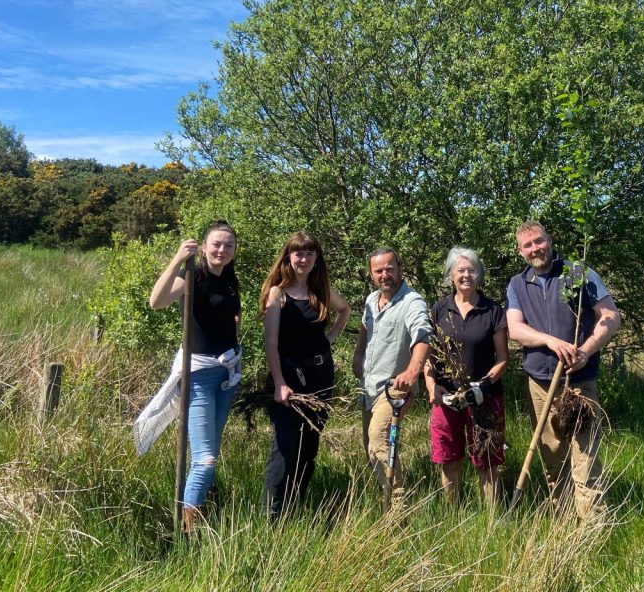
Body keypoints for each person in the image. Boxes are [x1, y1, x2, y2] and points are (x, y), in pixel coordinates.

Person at [506, 221, 620, 520]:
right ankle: (565, 521)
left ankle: (594, 525)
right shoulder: (518, 284)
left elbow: (610, 316)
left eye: (539, 241)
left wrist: (585, 351)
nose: (535, 249)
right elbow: (515, 329)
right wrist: (550, 341)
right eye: (528, 245)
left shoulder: (578, 273)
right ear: (520, 252)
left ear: (550, 240)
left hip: (579, 381)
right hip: (540, 383)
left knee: (585, 456)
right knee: (552, 456)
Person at [144, 220, 243, 532]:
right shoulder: (193, 275)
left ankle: (199, 507)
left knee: (210, 452)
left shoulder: (229, 280)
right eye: (216, 244)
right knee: (205, 460)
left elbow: (232, 320)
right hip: (199, 376)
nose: (222, 250)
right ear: (204, 247)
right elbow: (156, 302)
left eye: (228, 245)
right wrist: (176, 260)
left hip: (227, 377)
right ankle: (190, 531)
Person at [259, 231, 351, 520]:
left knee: (310, 444)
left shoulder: (319, 290)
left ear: (316, 258)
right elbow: (270, 344)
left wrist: (330, 338)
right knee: (285, 446)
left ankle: (295, 506)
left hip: (320, 376)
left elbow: (345, 309)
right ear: (288, 257)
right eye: (299, 253)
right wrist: (279, 383)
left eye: (310, 253)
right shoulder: (278, 293)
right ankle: (272, 516)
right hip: (288, 377)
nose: (304, 258)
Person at [424, 246, 508, 505]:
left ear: (478, 274)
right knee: (448, 458)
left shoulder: (492, 310)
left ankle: (492, 519)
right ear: (451, 275)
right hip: (446, 398)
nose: (466, 275)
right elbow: (428, 355)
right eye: (461, 270)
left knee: (488, 458)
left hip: (485, 397)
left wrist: (484, 385)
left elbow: (503, 358)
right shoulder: (438, 310)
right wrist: (431, 387)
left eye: (472, 270)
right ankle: (453, 513)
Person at [353, 247, 431, 509]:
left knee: (378, 439)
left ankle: (398, 509)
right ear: (371, 274)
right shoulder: (371, 300)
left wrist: (412, 371)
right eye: (378, 270)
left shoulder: (412, 301)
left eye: (389, 268)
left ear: (399, 269)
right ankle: (386, 499)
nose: (384, 274)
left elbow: (422, 334)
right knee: (370, 448)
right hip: (369, 387)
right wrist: (357, 355)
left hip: (394, 387)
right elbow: (365, 325)